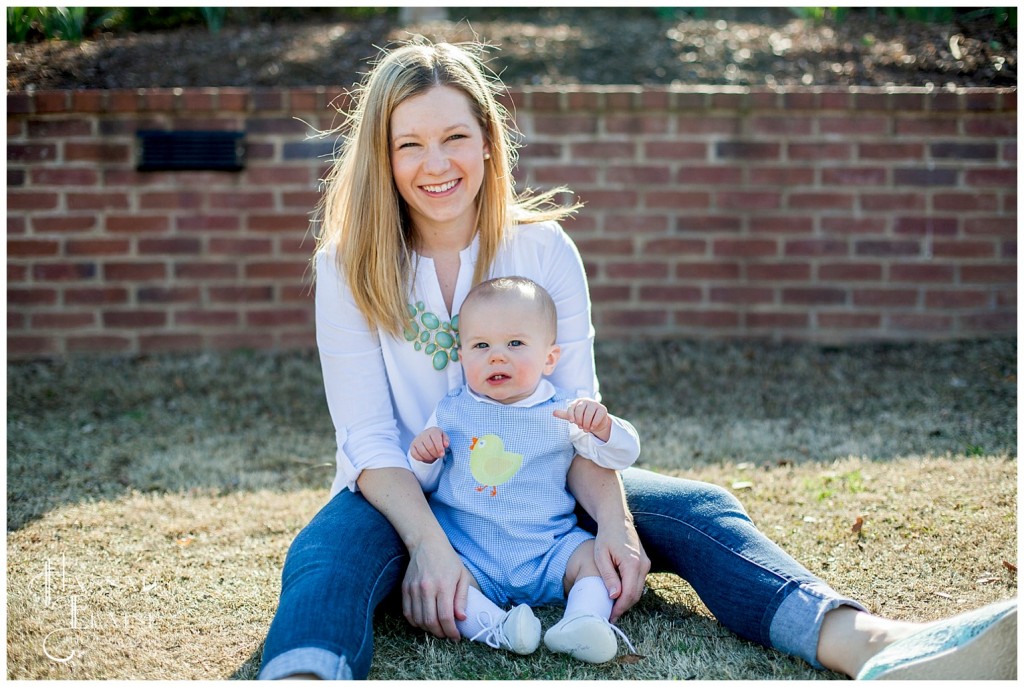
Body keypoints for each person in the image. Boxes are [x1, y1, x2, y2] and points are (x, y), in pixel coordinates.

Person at [258, 38, 1017, 681]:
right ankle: (303, 671)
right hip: (406, 499)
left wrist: (617, 524)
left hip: (542, 488)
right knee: (324, 556)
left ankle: (874, 646)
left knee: (696, 509)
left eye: (455, 136)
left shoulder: (543, 250)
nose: (437, 163)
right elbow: (369, 440)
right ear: (382, 156)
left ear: (488, 140)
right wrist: (429, 545)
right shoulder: (348, 266)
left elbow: (577, 415)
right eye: (410, 143)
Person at [407, 276, 641, 663]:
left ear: (550, 358)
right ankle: (499, 629)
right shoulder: (451, 412)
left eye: (515, 343)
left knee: (593, 561)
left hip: (549, 547)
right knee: (450, 587)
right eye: (481, 346)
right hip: (469, 551)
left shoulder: (565, 410)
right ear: (462, 357)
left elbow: (622, 456)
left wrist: (604, 429)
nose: (497, 356)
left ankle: (583, 619)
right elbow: (421, 485)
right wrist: (423, 457)